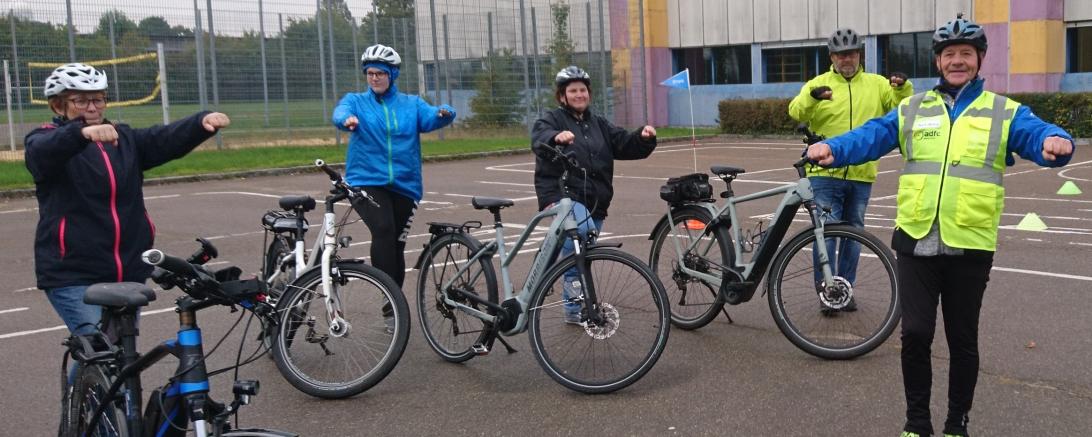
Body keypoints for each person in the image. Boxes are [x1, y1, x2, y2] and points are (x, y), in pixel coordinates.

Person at [806, 14, 1075, 437]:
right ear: (938, 62)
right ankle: (917, 423)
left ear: (979, 59)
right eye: (949, 54)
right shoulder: (913, 108)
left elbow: (1036, 133)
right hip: (915, 240)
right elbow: (871, 135)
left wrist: (1054, 142)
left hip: (970, 243)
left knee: (962, 339)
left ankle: (956, 424)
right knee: (915, 333)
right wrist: (832, 148)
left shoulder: (1002, 111)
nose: (957, 61)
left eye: (965, 53)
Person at [25, 63, 230, 337]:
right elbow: (42, 152)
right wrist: (80, 134)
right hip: (73, 274)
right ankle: (84, 382)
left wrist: (200, 124)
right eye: (81, 100)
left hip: (128, 270)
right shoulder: (45, 140)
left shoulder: (123, 140)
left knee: (121, 354)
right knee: (101, 349)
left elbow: (163, 139)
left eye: (98, 99)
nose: (92, 107)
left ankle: (88, 382)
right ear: (58, 106)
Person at [788, 27, 914, 314]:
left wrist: (902, 88)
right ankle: (827, 293)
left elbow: (902, 111)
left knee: (853, 238)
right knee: (827, 236)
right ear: (832, 56)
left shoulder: (877, 84)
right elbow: (796, 112)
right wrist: (812, 96)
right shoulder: (818, 83)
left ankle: (844, 290)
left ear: (860, 55)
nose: (847, 59)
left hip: (861, 174)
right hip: (824, 175)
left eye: (852, 53)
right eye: (841, 54)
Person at [332, 44, 456, 328]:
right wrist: (345, 120)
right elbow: (340, 112)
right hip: (365, 180)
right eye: (370, 73)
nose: (374, 78)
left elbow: (427, 118)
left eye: (380, 73)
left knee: (396, 245)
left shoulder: (410, 104)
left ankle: (393, 305)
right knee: (383, 229)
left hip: (404, 183)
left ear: (392, 74)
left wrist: (443, 114)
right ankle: (391, 300)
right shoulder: (356, 102)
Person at [530, 66, 657, 324]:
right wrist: (556, 137)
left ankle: (571, 306)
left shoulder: (598, 123)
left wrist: (643, 138)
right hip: (561, 193)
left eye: (583, 90)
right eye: (573, 90)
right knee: (581, 237)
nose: (579, 94)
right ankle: (561, 286)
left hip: (595, 200)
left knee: (581, 255)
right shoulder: (552, 120)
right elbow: (539, 139)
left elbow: (622, 143)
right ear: (563, 96)